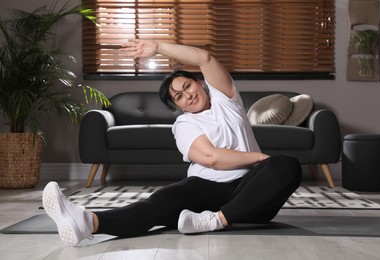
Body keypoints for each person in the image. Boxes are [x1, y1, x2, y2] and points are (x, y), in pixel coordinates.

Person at [42, 40, 302, 247]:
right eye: (178, 97)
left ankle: (217, 220)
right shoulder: (184, 125)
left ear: (200, 82)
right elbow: (211, 158)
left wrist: (158, 47)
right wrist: (258, 158)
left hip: (251, 193)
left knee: (288, 166)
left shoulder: (227, 101)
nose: (187, 95)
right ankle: (86, 222)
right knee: (158, 205)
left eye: (187, 86)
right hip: (204, 190)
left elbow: (205, 58)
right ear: (177, 106)